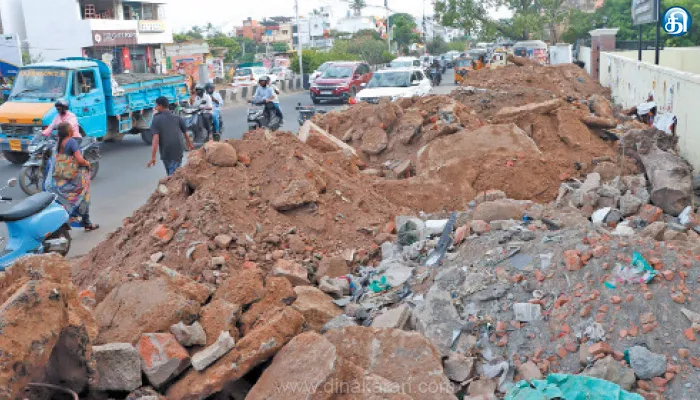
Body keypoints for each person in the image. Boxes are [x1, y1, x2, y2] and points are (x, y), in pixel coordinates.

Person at [44, 122, 98, 231]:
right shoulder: (71, 142)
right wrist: (87, 163)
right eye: (71, 129)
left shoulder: (59, 142)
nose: (73, 130)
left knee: (67, 200)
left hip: (60, 179)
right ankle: (86, 223)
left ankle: (70, 219)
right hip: (73, 178)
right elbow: (79, 160)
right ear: (69, 131)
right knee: (83, 196)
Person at [147, 96, 194, 176]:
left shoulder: (156, 119)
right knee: (172, 176)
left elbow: (155, 139)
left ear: (160, 106)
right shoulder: (177, 118)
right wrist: (190, 144)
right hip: (177, 151)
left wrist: (153, 157)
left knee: (172, 177)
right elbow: (185, 133)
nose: (155, 107)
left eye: (156, 105)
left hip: (166, 152)